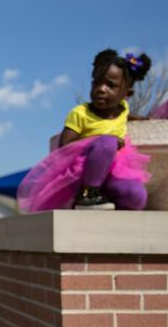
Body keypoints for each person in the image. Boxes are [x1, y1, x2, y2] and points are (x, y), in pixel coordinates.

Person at [17, 49, 152, 212]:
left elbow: (126, 115)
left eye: (110, 85)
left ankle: (109, 205)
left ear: (126, 93)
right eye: (97, 82)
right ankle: (87, 196)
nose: (101, 89)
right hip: (83, 173)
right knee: (107, 142)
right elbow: (65, 147)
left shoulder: (123, 108)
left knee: (137, 196)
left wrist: (143, 119)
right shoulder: (80, 113)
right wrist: (100, 140)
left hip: (113, 170)